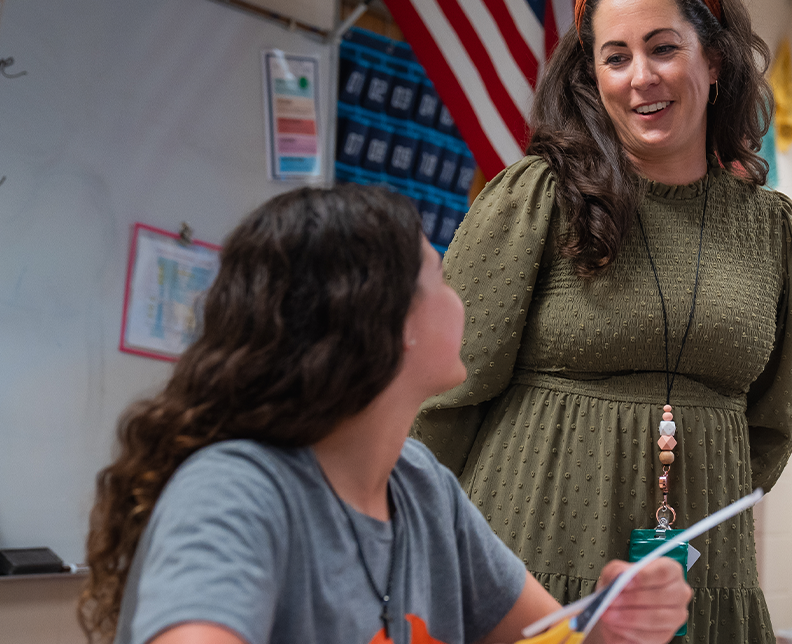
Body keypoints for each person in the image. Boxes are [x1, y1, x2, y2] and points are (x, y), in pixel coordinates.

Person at [409, 0, 792, 644]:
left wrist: (688, 475)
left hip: (703, 567)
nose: (640, 78)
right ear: (591, 75)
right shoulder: (539, 196)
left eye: (663, 48)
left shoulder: (772, 228)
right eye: (616, 56)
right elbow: (444, 395)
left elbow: (773, 423)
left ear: (713, 60)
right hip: (527, 551)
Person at [79, 186, 690, 644]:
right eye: (439, 277)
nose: (460, 297)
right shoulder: (234, 491)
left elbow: (550, 636)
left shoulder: (420, 483)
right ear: (389, 323)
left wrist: (611, 624)